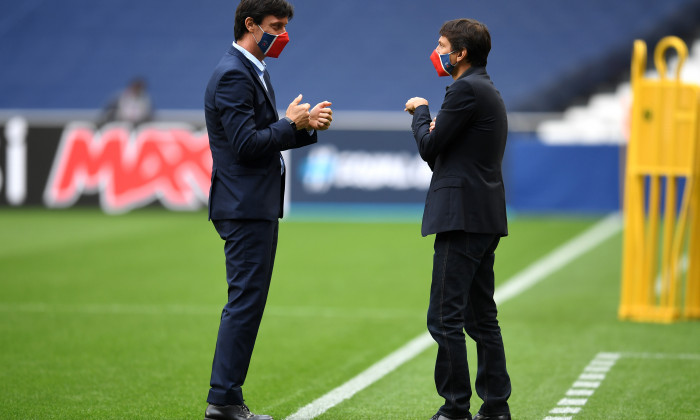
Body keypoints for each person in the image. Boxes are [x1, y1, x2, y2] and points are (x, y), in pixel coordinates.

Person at [202, 1, 332, 419]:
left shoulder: (251, 71)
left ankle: (227, 398)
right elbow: (244, 146)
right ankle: (223, 400)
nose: (283, 35)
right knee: (244, 301)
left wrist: (303, 127)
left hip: (253, 203)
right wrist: (288, 125)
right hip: (243, 205)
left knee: (249, 301)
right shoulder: (232, 75)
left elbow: (261, 138)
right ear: (250, 25)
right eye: (276, 26)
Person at [404, 18, 512, 420]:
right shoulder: (486, 89)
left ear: (461, 53)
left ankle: (455, 409)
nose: (438, 51)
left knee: (445, 318)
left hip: (461, 218)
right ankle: (496, 407)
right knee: (481, 318)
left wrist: (421, 111)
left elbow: (430, 147)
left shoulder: (465, 90)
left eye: (442, 45)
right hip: (484, 216)